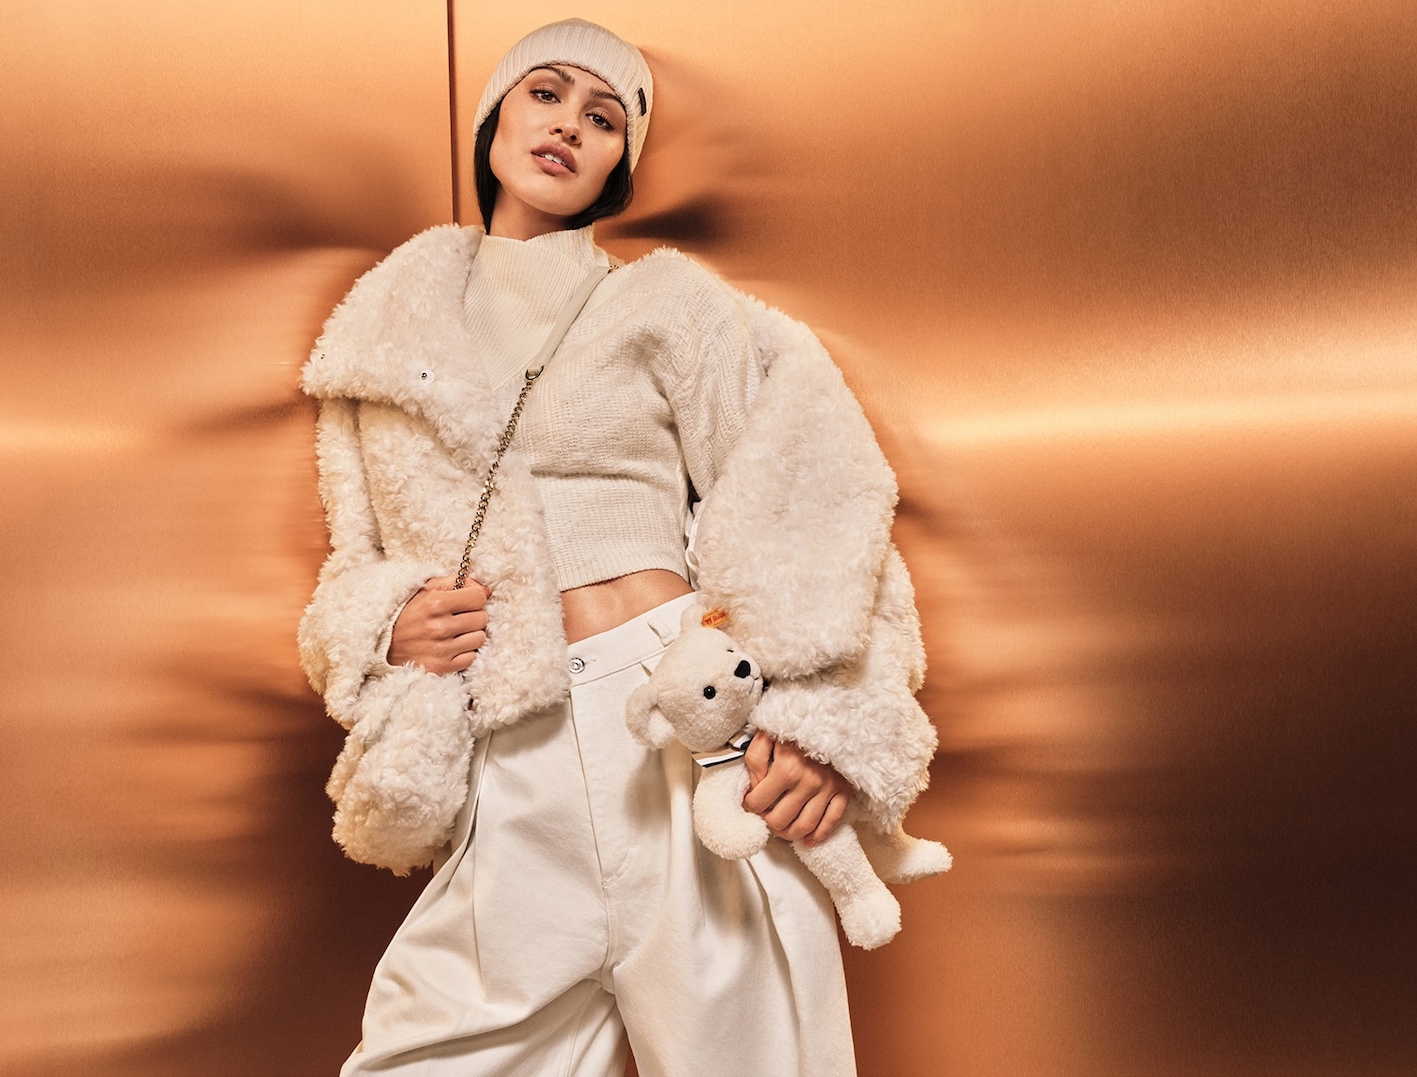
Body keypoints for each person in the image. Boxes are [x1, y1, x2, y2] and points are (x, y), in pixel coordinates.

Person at [297, 18, 941, 1076]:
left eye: (604, 119)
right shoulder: (383, 337)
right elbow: (351, 563)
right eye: (546, 94)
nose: (569, 127)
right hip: (509, 761)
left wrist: (823, 724)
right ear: (493, 115)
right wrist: (385, 624)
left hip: (684, 736)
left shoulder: (666, 302)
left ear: (620, 164)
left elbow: (820, 490)